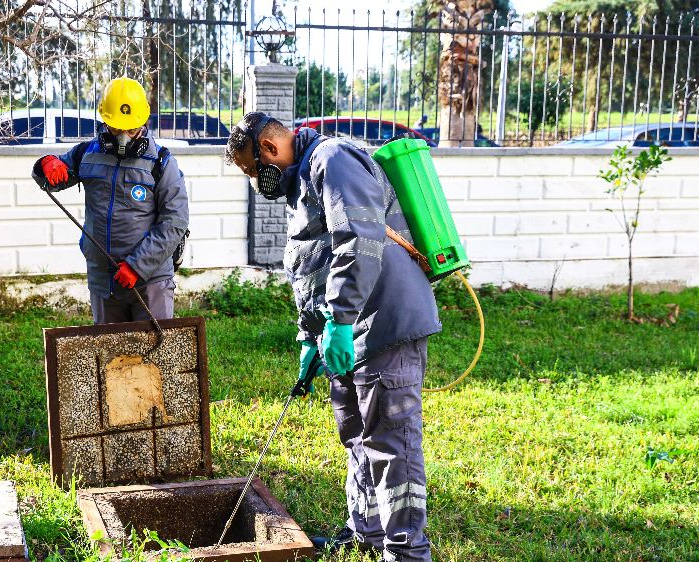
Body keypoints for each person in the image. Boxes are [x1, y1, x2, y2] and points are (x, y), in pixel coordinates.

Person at [224, 112, 442, 562]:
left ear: (269, 149)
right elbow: (311, 264)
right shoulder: (301, 183)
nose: (254, 181)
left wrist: (339, 320)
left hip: (383, 321)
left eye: (251, 170)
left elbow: (357, 242)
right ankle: (367, 533)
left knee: (391, 443)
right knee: (357, 434)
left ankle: (407, 552)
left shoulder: (333, 160)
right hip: (347, 332)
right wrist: (310, 336)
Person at [32, 77, 189, 324]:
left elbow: (174, 223)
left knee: (154, 357)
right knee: (110, 358)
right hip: (104, 280)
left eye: (131, 129)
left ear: (144, 121)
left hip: (150, 283)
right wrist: (45, 164)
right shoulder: (86, 154)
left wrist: (137, 267)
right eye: (116, 129)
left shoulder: (162, 163)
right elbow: (51, 179)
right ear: (105, 121)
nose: (123, 137)